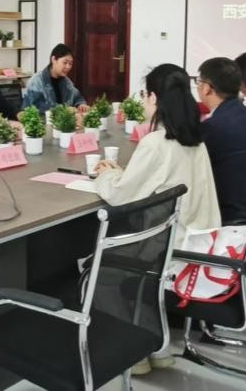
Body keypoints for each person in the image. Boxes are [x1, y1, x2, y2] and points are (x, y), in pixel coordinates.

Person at [93, 63, 220, 375]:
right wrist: (126, 175)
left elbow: (121, 195)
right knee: (139, 270)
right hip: (200, 244)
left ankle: (133, 353)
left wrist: (106, 174)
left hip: (171, 252)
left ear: (153, 97)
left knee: (101, 276)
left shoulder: (156, 142)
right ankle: (158, 350)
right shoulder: (195, 140)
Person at [196, 57, 246, 224]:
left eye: (198, 82)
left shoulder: (215, 126)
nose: (197, 86)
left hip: (234, 218)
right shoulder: (244, 113)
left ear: (207, 88)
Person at [22, 44, 88, 113]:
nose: (68, 67)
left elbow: (77, 97)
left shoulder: (66, 81)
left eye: (70, 64)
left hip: (64, 119)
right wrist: (62, 109)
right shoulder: (36, 81)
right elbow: (35, 106)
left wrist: (81, 104)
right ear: (54, 59)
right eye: (65, 62)